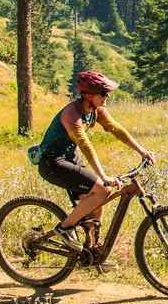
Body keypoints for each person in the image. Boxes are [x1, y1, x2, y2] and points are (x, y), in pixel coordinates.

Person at [33, 70, 155, 229]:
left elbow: (116, 129)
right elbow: (85, 146)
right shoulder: (71, 114)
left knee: (95, 203)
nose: (107, 97)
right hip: (53, 163)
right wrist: (103, 176)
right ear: (89, 95)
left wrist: (142, 151)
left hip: (70, 159)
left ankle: (91, 246)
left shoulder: (95, 110)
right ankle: (64, 229)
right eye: (104, 93)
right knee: (102, 190)